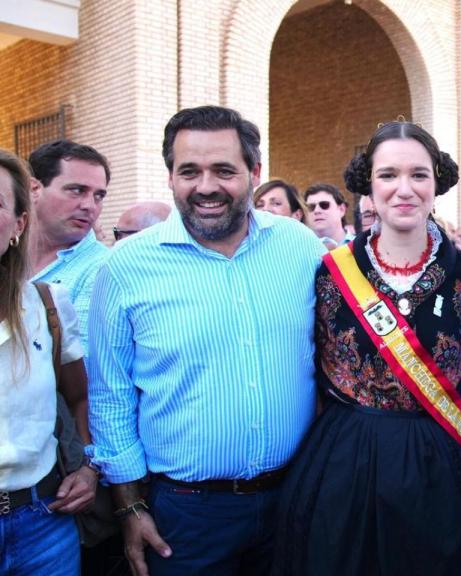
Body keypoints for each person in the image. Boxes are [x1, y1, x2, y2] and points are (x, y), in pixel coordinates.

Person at [87, 105, 325, 576]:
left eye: (224, 170)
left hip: (294, 500)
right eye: (189, 171)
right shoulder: (125, 267)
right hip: (185, 516)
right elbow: (109, 397)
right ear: (171, 177)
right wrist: (130, 509)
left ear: (255, 173)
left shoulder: (301, 248)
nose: (206, 187)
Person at [274, 121, 461, 575]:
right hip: (344, 466)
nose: (403, 189)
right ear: (367, 185)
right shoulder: (329, 271)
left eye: (418, 175)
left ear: (437, 183)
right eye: (388, 175)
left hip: (440, 469)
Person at [1, 148, 97, 575]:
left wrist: (88, 467)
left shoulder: (47, 307)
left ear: (19, 224)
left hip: (43, 524)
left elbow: (80, 396)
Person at [27, 139, 111, 353]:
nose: (89, 206)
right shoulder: (7, 251)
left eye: (98, 196)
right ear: (33, 189)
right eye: (76, 190)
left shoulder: (103, 269)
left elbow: (82, 364)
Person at [304, 183, 351, 248]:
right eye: (311, 207)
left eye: (324, 205)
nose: (317, 210)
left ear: (341, 210)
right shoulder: (300, 250)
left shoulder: (362, 244)